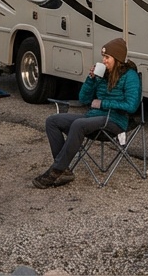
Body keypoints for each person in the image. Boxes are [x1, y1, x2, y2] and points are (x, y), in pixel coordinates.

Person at [33, 37, 141, 188]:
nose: (103, 61)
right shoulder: (103, 74)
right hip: (94, 118)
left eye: (107, 57)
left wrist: (103, 103)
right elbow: (83, 99)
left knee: (79, 124)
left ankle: (56, 170)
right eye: (103, 57)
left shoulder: (130, 76)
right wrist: (90, 79)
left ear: (117, 59)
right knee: (52, 121)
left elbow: (131, 106)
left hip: (115, 121)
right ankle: (65, 171)